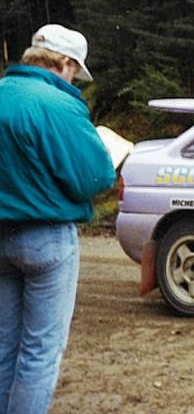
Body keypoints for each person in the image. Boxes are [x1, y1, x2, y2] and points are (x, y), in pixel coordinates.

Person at [0, 24, 116, 414]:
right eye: (73, 72)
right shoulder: (58, 104)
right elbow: (95, 177)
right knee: (39, 354)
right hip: (46, 240)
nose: (74, 81)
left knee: (4, 349)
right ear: (64, 63)